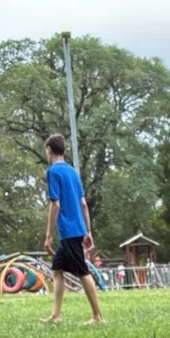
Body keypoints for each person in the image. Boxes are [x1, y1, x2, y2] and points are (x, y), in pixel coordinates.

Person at [41, 133, 104, 324]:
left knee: (83, 272)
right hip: (77, 229)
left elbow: (56, 205)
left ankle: (98, 316)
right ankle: (56, 315)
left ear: (49, 150)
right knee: (57, 269)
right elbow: (83, 204)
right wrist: (88, 231)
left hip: (69, 231)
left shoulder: (53, 172)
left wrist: (48, 235)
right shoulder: (73, 172)